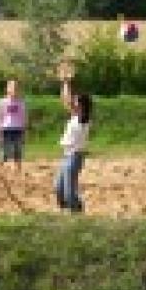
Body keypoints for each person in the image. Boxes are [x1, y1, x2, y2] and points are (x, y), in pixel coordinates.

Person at [54, 63, 92, 213]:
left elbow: (68, 101)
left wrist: (67, 83)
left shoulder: (84, 118)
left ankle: (76, 210)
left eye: (77, 102)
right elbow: (66, 101)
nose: (73, 103)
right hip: (67, 156)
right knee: (58, 187)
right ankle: (66, 210)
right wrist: (65, 83)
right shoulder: (77, 116)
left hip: (74, 157)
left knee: (69, 190)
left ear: (82, 106)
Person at [0, 79, 27, 185]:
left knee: (18, 156)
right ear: (7, 89)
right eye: (12, 87)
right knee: (3, 155)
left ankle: (17, 180)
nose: (15, 89)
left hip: (18, 130)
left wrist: (24, 132)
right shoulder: (2, 102)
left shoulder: (21, 102)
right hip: (6, 130)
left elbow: (24, 118)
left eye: (16, 87)